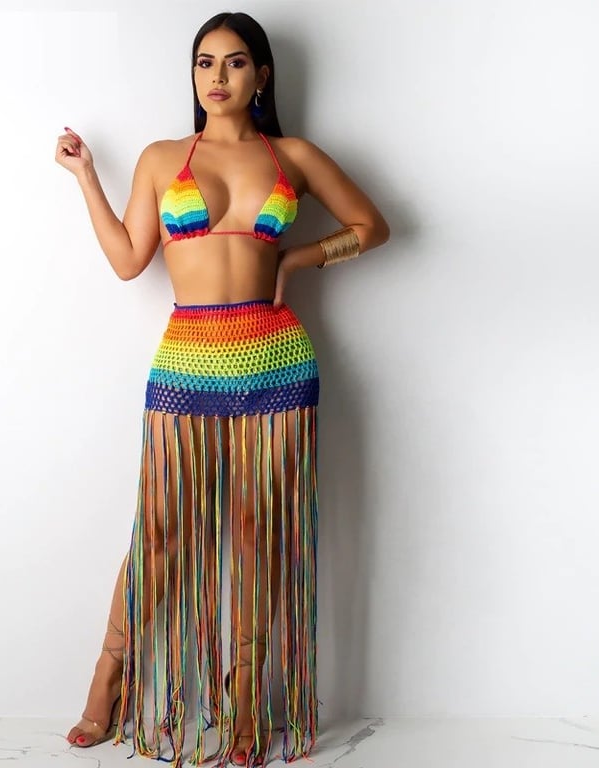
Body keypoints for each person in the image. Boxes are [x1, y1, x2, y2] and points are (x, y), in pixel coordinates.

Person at [55, 11, 389, 768]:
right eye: (205, 62)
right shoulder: (161, 157)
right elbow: (129, 260)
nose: (218, 76)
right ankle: (108, 676)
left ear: (261, 75)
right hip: (188, 360)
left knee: (259, 535)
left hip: (277, 362)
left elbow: (372, 226)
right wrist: (86, 177)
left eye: (236, 62)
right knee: (161, 531)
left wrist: (299, 260)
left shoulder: (293, 156)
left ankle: (246, 702)